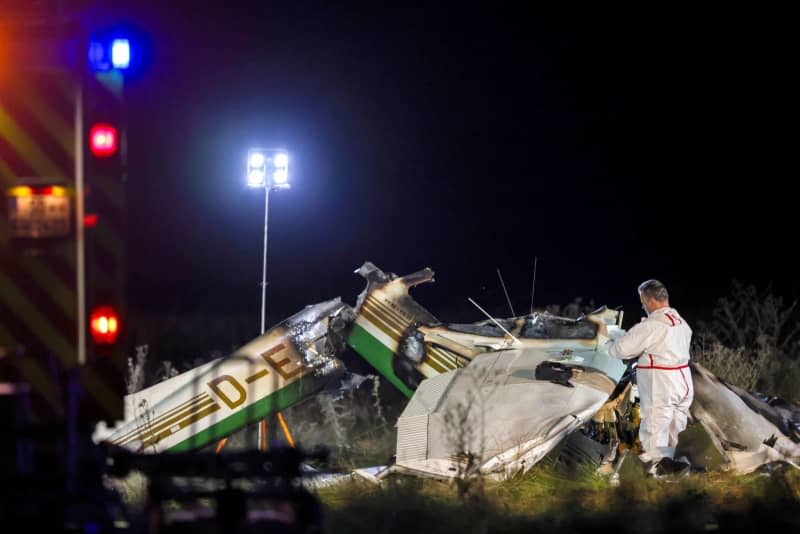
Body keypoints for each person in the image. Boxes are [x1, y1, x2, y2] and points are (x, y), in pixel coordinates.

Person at [607, 279, 693, 467]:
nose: (642, 305)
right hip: (683, 381)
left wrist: (611, 339)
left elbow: (620, 350)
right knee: (676, 429)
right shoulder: (680, 321)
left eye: (643, 301)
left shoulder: (652, 325)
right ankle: (678, 469)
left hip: (662, 384)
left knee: (655, 433)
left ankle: (657, 475)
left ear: (650, 301)